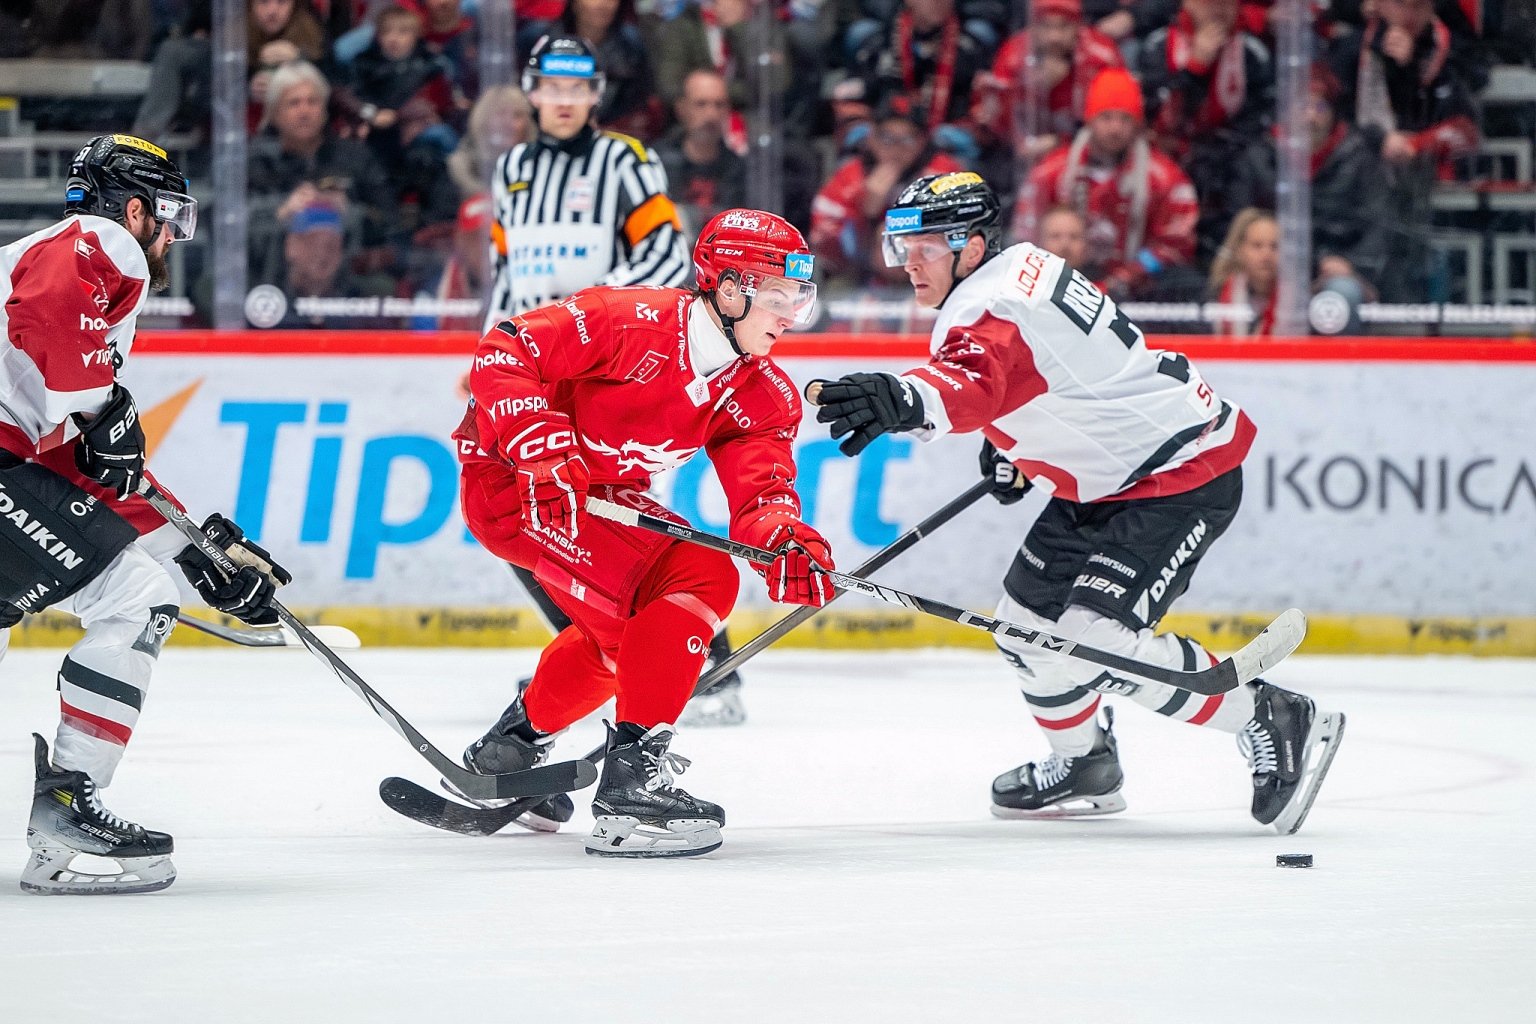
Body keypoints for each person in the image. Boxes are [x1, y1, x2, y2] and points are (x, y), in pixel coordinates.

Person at [811, 172, 1345, 835]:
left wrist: (905, 398)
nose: (908, 263)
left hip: (1176, 472)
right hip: (1105, 476)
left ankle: (1271, 715)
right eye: (901, 248)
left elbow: (972, 381)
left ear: (971, 247)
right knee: (1024, 628)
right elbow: (1061, 372)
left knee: (1093, 643)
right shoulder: (1020, 268)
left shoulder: (989, 306)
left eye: (923, 248)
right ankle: (1085, 763)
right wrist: (1013, 445)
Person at [453, 209, 835, 856]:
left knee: (628, 644)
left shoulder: (762, 394)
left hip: (597, 495)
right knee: (700, 574)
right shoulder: (625, 319)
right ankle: (631, 786)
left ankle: (507, 750)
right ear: (729, 289)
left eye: (797, 297)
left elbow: (761, 495)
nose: (789, 315)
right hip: (517, 484)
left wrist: (783, 541)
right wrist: (537, 441)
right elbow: (504, 350)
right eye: (776, 297)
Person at [0, 136, 290, 893]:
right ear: (136, 210)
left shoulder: (52, 301)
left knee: (135, 586)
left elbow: (79, 464)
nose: (171, 238)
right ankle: (65, 807)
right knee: (134, 601)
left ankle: (61, 823)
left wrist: (194, 551)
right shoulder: (100, 243)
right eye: (171, 218)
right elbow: (50, 319)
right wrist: (102, 407)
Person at [482, 36, 749, 724]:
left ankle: (698, 666)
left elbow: (663, 254)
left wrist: (590, 319)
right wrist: (489, 350)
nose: (564, 100)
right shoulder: (511, 169)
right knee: (529, 515)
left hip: (601, 367)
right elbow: (506, 273)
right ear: (532, 91)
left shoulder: (625, 160)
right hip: (534, 370)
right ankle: (607, 648)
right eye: (553, 87)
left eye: (578, 89)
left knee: (604, 515)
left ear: (595, 95)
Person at [1016, 68, 1200, 303]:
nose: (1115, 128)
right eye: (1106, 117)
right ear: (1089, 119)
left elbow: (1175, 245)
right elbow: (1025, 236)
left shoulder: (1166, 179)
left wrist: (1124, 279)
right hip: (1059, 285)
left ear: (1138, 124)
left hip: (1138, 291)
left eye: (1125, 119)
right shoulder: (1050, 172)